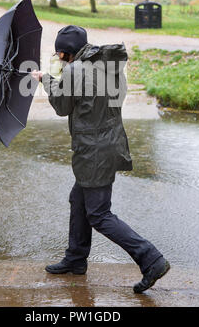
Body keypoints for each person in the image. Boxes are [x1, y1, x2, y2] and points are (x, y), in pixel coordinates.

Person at [31, 25, 170, 293]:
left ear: (65, 53)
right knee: (78, 199)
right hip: (109, 144)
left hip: (92, 151)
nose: (58, 57)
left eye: (59, 53)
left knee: (99, 214)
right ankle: (75, 259)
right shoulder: (109, 67)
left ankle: (151, 259)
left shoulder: (73, 70)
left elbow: (62, 107)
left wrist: (46, 79)